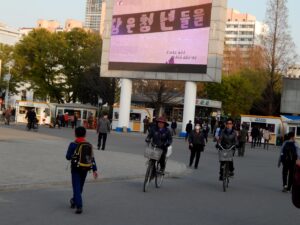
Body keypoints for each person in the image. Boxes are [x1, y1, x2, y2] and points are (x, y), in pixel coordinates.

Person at [66, 126, 98, 214]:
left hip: (75, 168)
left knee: (76, 186)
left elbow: (68, 157)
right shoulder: (88, 145)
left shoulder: (72, 144)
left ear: (75, 134)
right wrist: (95, 170)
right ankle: (74, 200)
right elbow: (92, 158)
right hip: (85, 168)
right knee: (80, 187)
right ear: (85, 134)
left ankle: (79, 205)